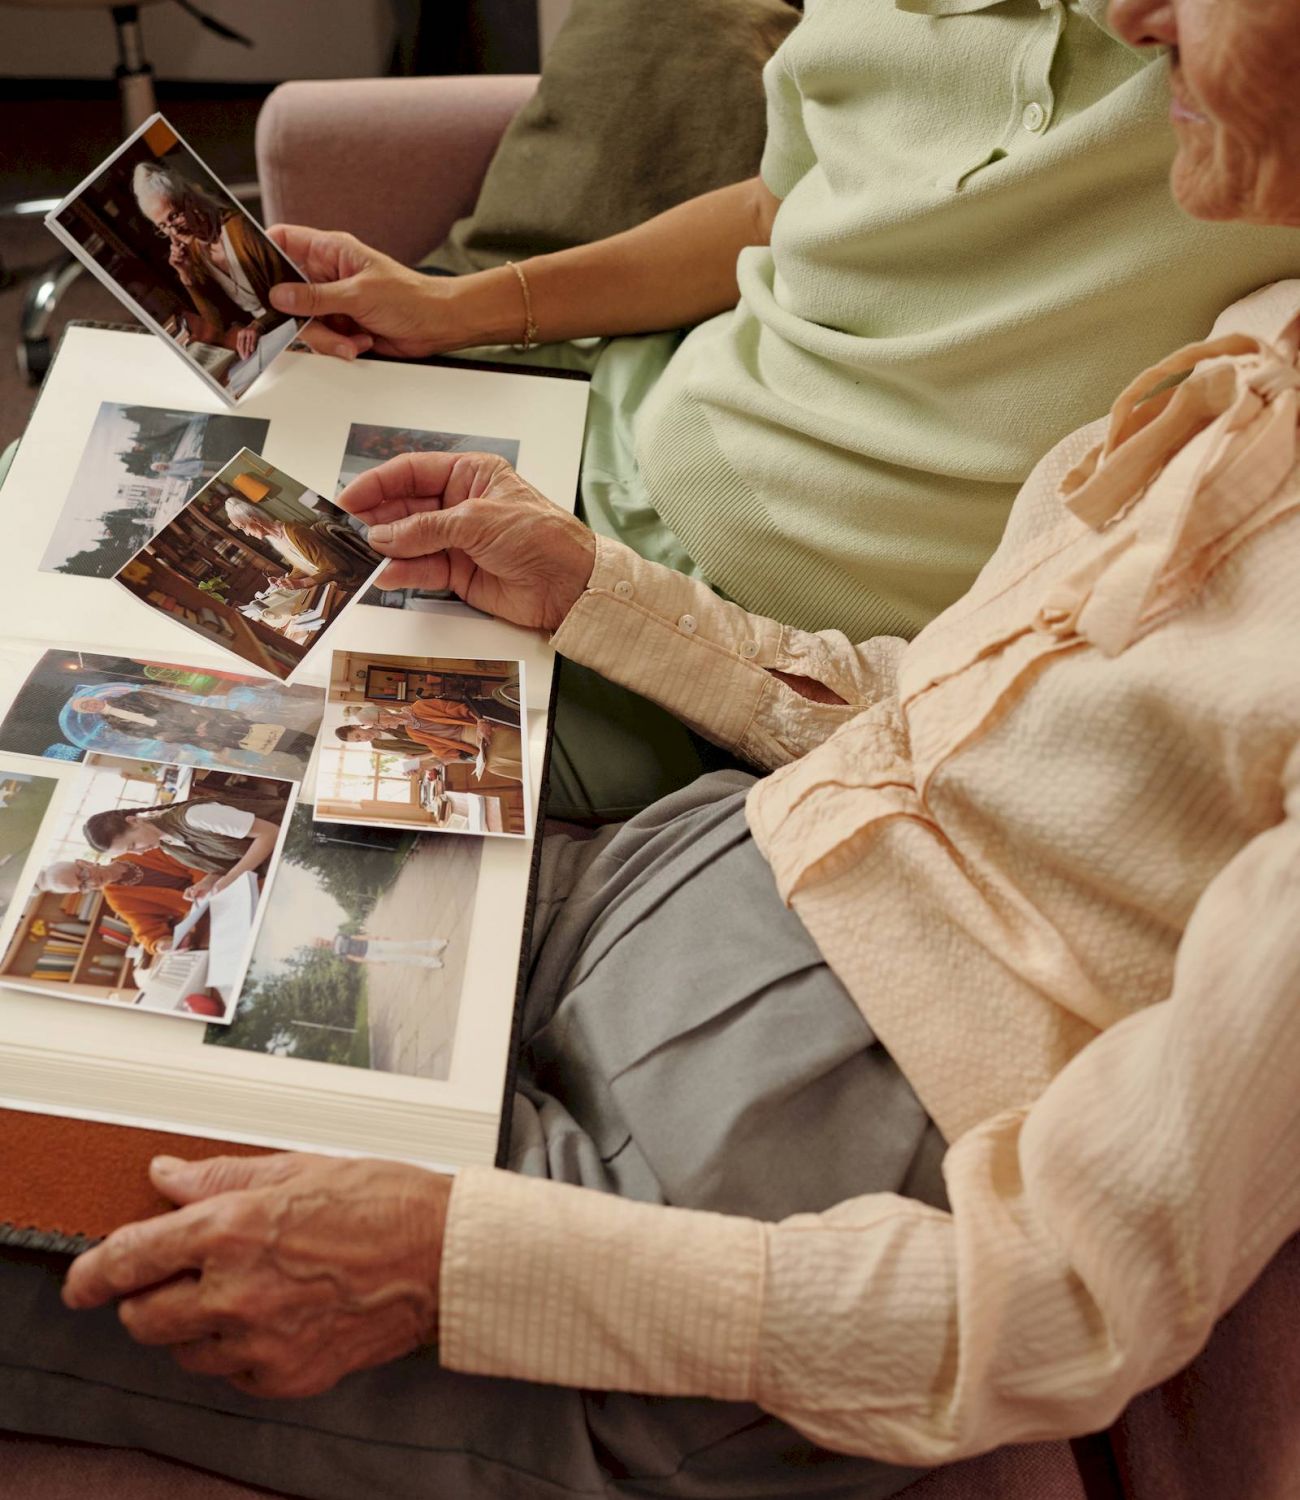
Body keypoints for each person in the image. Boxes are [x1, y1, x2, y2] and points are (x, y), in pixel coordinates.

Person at [2, 3, 1298, 1497]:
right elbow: (948, 700)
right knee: (87, 814)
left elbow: (1076, 1299)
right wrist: (592, 588)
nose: (1144, 19)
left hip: (759, 1177)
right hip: (691, 874)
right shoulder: (1263, 339)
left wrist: (447, 1265)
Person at [132, 162, 289, 363]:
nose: (174, 232)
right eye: (163, 226)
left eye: (174, 216)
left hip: (290, 323)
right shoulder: (196, 251)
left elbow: (290, 288)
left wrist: (259, 325)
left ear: (189, 201)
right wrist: (186, 276)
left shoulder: (240, 229)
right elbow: (217, 324)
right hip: (269, 338)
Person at [83, 795, 284, 904]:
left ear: (134, 821)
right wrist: (208, 882)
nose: (138, 853)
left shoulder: (194, 816)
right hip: (281, 862)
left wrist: (230, 879)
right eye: (130, 851)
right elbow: (229, 861)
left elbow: (271, 833)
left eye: (133, 845)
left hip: (298, 835)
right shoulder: (168, 844)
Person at [36, 848, 206, 958]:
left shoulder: (136, 850)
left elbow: (193, 858)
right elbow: (147, 932)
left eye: (83, 875)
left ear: (83, 862)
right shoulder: (116, 899)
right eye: (83, 886)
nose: (92, 883)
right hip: (208, 909)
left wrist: (202, 889)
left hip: (217, 875)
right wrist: (162, 945)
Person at [67, 690, 316, 764]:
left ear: (95, 698)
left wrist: (198, 720)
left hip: (198, 718)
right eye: (85, 708)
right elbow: (144, 732)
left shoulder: (129, 697)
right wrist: (169, 735)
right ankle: (297, 752)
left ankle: (305, 740)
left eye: (88, 702)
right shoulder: (112, 722)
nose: (90, 707)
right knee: (245, 742)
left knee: (256, 729)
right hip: (188, 734)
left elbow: (167, 704)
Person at [336, 697, 524, 783]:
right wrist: (423, 767)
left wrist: (480, 721)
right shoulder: (412, 732)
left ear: (382, 713)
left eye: (377, 723)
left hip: (468, 726)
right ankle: (527, 776)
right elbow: (445, 753)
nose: (380, 728)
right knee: (492, 765)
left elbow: (461, 708)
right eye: (375, 727)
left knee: (497, 751)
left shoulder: (420, 707)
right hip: (465, 743)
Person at [224, 497, 371, 589]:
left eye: (243, 527)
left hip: (355, 582)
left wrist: (302, 583)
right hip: (338, 584)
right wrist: (288, 580)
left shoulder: (294, 532)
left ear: (255, 520)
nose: (246, 534)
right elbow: (302, 563)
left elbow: (336, 568)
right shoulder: (276, 540)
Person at [314, 932, 448, 971]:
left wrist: (377, 937)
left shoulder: (339, 936)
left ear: (323, 938)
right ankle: (433, 963)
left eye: (321, 940)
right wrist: (374, 963)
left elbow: (357, 937)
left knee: (404, 945)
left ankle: (437, 944)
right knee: (403, 959)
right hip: (370, 955)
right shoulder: (336, 953)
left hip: (372, 943)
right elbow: (355, 958)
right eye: (320, 944)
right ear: (320, 947)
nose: (323, 943)